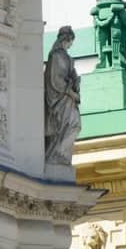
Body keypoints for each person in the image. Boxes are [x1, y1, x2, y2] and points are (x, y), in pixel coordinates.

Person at [44, 25, 81, 165]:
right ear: (68, 39)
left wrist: (76, 83)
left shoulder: (67, 57)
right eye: (71, 41)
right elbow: (55, 80)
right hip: (60, 99)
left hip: (68, 98)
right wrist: (70, 91)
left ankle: (61, 155)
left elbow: (71, 76)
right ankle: (56, 155)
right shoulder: (56, 56)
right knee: (71, 125)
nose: (71, 44)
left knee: (75, 125)